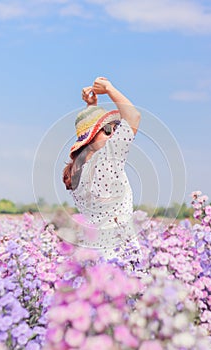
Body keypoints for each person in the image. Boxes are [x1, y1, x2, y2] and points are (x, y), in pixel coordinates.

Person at [62, 76, 141, 260]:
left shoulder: (77, 171)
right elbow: (134, 117)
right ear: (90, 139)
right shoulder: (107, 160)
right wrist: (109, 88)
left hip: (95, 255)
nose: (113, 133)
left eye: (115, 128)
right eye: (107, 130)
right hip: (121, 255)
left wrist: (91, 108)